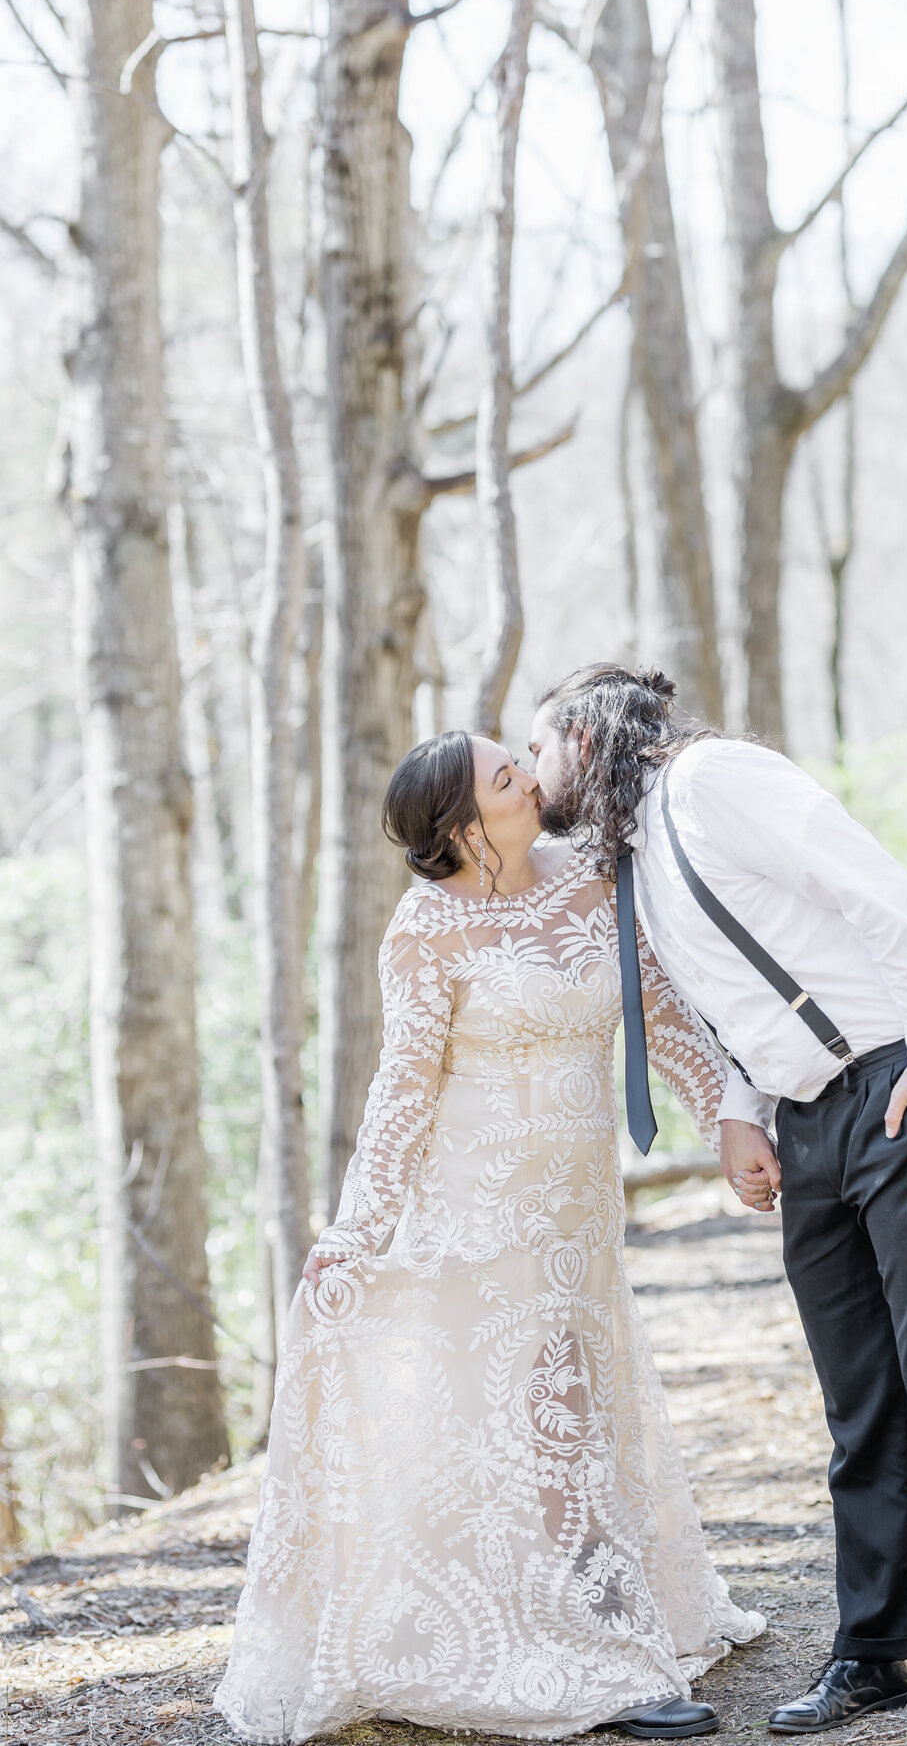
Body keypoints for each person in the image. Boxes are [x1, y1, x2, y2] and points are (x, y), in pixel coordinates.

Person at [530, 664, 907, 1741]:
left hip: (902, 1079)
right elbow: (736, 992)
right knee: (859, 1398)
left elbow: (873, 888)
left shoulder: (711, 781)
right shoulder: (638, 853)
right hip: (811, 1119)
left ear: (583, 730)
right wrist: (744, 1114)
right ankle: (876, 1656)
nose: (531, 771)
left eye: (538, 746)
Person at [214, 728, 763, 1746]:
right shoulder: (426, 930)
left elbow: (666, 1020)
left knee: (576, 1400)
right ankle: (603, 1656)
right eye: (507, 776)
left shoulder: (598, 881)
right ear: (466, 828)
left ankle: (606, 1616)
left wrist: (737, 1132)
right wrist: (359, 1226)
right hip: (476, 1214)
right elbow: (402, 1091)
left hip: (580, 1213)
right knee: (538, 1419)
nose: (531, 776)